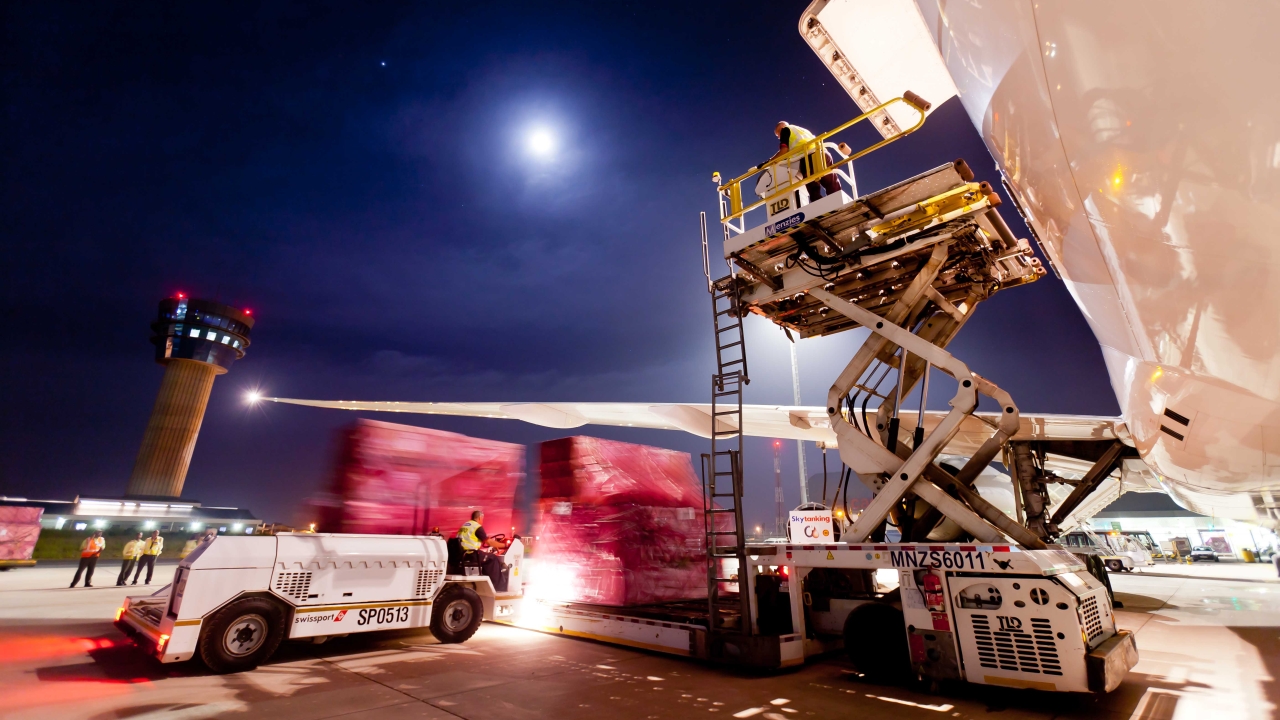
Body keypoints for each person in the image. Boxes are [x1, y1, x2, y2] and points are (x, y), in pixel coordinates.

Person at [768, 121, 841, 203]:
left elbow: (784, 151)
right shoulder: (802, 130)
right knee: (831, 184)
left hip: (808, 156)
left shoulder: (785, 130)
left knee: (813, 187)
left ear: (781, 128)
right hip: (824, 153)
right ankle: (839, 203)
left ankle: (821, 208)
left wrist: (770, 161)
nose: (779, 137)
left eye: (778, 135)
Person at [456, 510, 506, 591]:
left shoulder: (466, 525)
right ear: (480, 517)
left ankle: (488, 582)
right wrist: (504, 545)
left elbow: (483, 539)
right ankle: (498, 587)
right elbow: (489, 542)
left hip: (462, 554)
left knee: (486, 556)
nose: (482, 521)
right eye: (482, 519)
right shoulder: (477, 527)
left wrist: (494, 544)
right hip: (471, 553)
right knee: (492, 558)